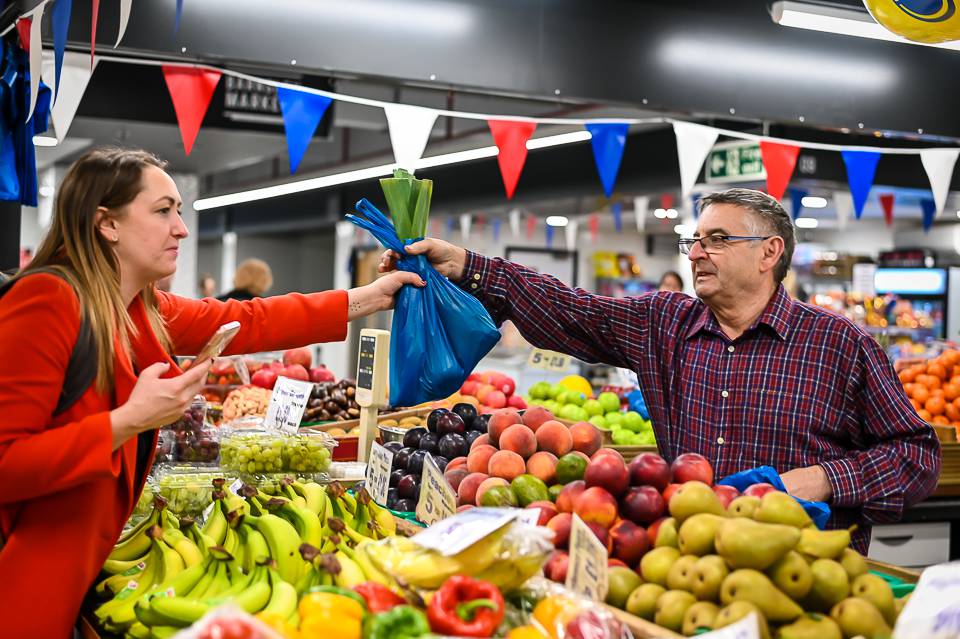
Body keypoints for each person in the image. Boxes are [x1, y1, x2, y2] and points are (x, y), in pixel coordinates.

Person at [0, 147, 423, 638]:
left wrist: (370, 297)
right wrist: (128, 421)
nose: (181, 228)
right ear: (106, 223)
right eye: (163, 211)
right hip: (22, 582)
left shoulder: (137, 308)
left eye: (179, 211)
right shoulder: (48, 301)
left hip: (76, 568)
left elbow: (250, 320)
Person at [380, 187, 941, 552]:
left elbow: (916, 455)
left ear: (770, 253)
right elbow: (573, 312)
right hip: (684, 559)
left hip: (796, 572)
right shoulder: (665, 323)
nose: (696, 252)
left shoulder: (839, 344)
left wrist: (820, 479)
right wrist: (472, 268)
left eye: (718, 239)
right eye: (694, 240)